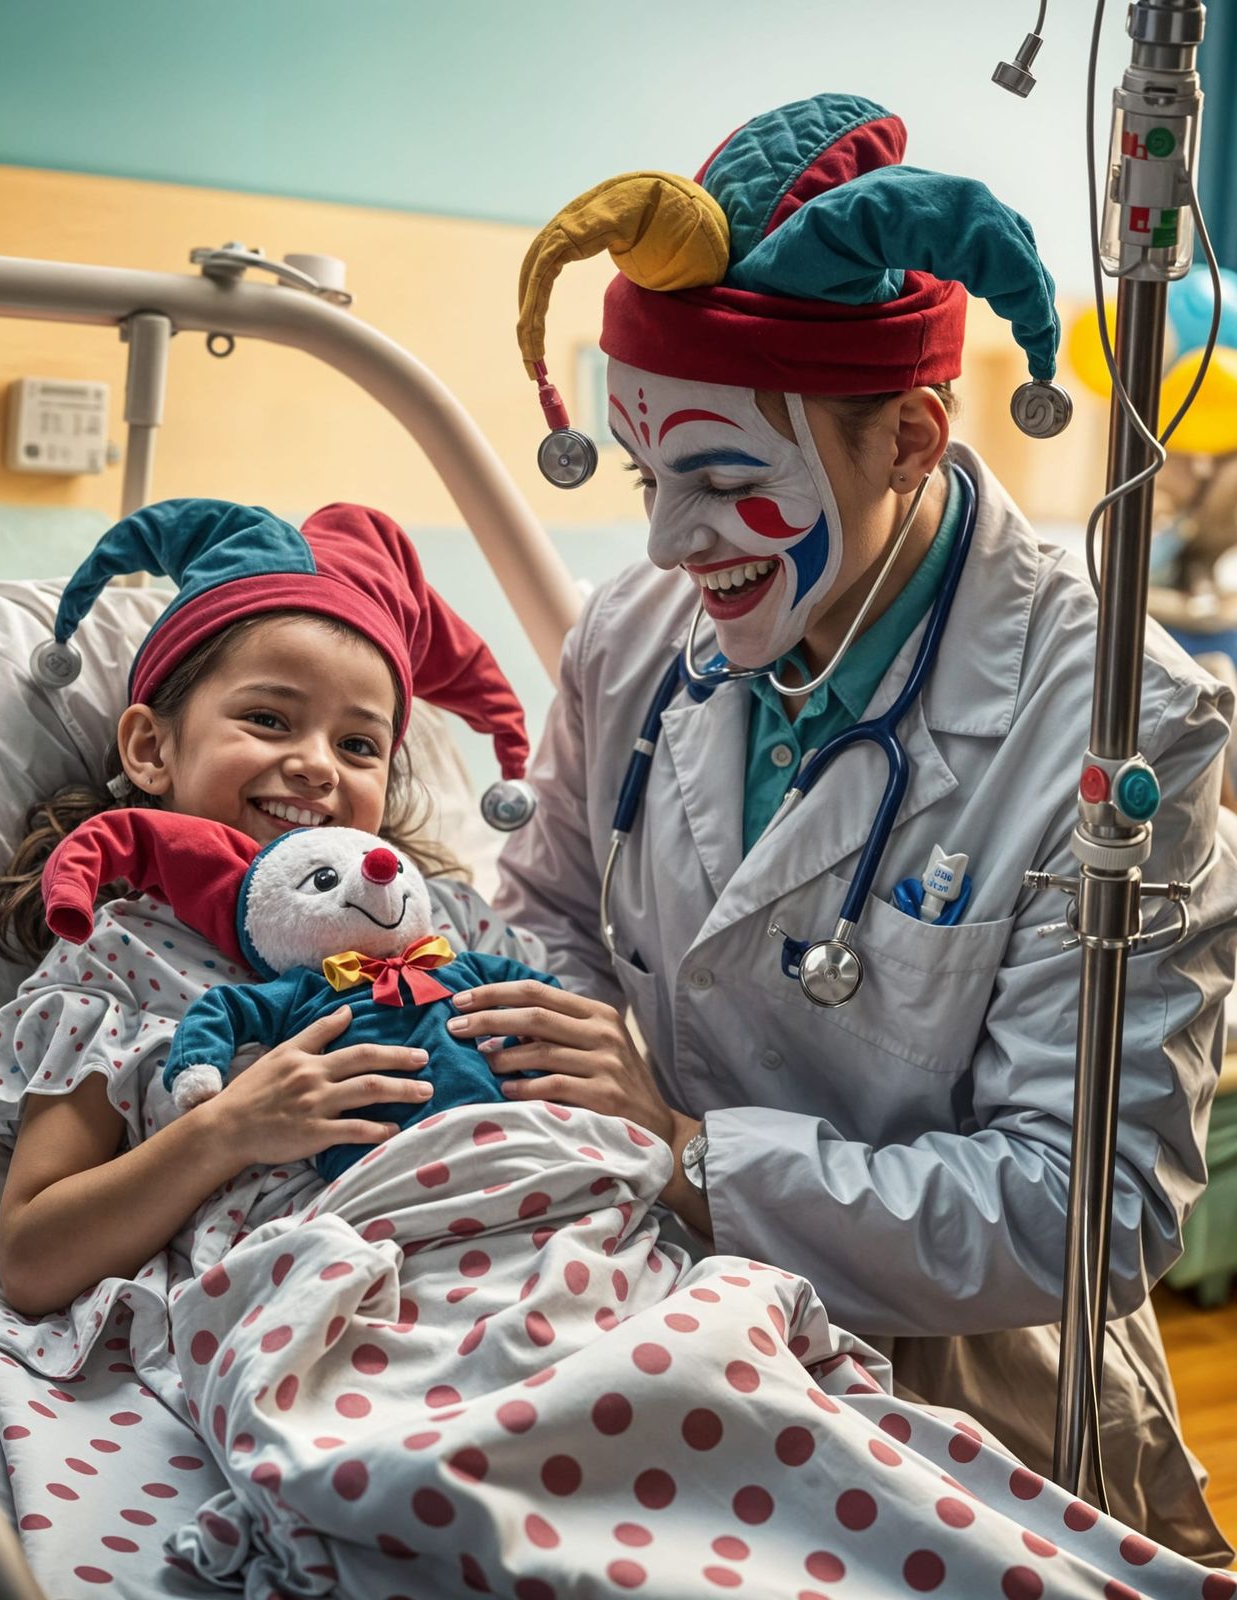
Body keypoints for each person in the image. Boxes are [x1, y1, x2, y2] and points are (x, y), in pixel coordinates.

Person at [460, 92, 1236, 1559]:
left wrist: (696, 1156)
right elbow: (552, 911)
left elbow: (1087, 1213)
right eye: (649, 479)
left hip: (956, 1410)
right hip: (639, 1314)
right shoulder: (637, 638)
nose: (669, 546)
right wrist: (580, 1080)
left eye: (729, 481)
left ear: (909, 440)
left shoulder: (1121, 728)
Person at [0, 496, 550, 1318]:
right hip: (334, 1296)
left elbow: (555, 1079)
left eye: (358, 744)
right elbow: (36, 1259)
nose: (317, 766)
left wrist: (622, 1098)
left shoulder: (445, 925)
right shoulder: (121, 966)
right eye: (267, 718)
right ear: (150, 748)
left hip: (543, 1246)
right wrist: (228, 1129)